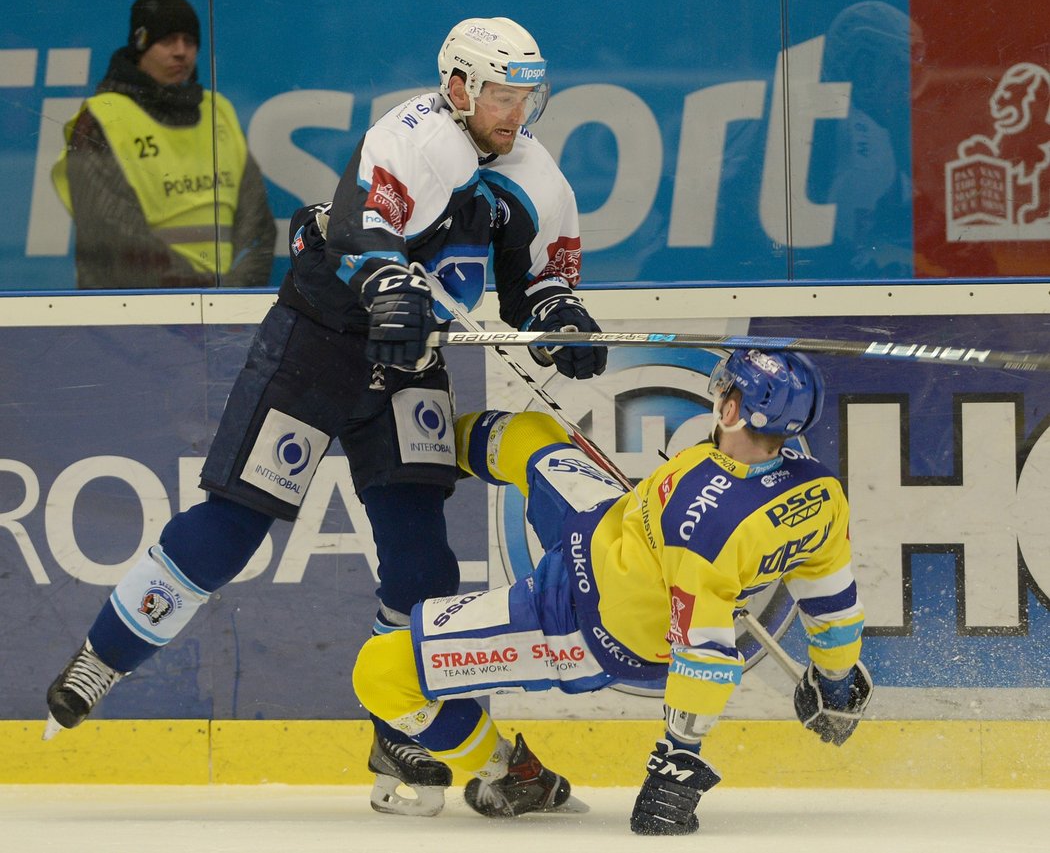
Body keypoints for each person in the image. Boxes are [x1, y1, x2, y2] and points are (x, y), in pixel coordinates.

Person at [43, 15, 607, 820]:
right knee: (236, 521)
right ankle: (104, 655)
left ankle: (397, 725)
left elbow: (535, 290)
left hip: (410, 365)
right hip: (317, 347)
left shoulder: (537, 178)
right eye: (500, 95)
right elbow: (358, 235)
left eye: (526, 97)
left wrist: (563, 326)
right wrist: (389, 286)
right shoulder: (410, 137)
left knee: (422, 558)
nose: (515, 112)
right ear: (457, 86)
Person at [352, 349, 872, 834]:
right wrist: (835, 676)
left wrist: (678, 760)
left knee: (380, 673)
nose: (718, 396)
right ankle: (410, 464)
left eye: (725, 390)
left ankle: (509, 773)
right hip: (602, 526)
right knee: (523, 434)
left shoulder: (705, 529)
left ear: (733, 410)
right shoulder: (818, 490)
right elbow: (833, 600)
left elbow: (705, 650)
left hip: (581, 618)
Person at [51, 0, 275, 288]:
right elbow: (112, 234)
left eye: (190, 41)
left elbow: (256, 224)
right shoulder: (103, 118)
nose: (181, 51)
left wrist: (231, 291)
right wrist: (200, 293)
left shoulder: (218, 111)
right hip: (131, 315)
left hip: (220, 310)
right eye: (167, 40)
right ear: (141, 44)